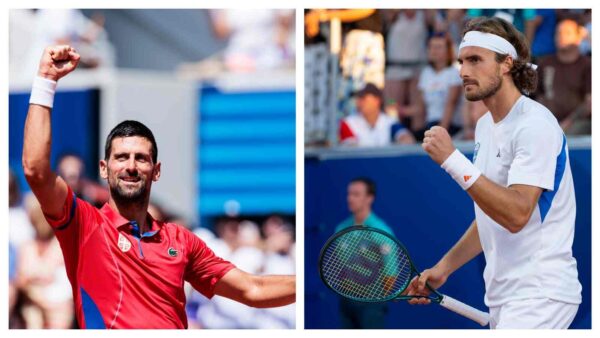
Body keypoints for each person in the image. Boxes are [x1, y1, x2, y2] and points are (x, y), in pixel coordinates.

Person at [22, 45, 296, 329]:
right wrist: (45, 81)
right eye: (121, 157)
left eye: (141, 158)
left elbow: (252, 289)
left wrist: (312, 281)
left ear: (156, 171)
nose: (130, 166)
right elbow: (35, 170)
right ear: (104, 168)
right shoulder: (84, 226)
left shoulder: (181, 241)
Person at [411, 17, 581, 329]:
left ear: (506, 63)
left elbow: (516, 214)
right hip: (506, 297)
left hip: (541, 295)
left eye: (475, 60)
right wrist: (444, 267)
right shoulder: (485, 126)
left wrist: (452, 160)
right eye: (461, 61)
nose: (463, 71)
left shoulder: (535, 125)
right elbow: (492, 213)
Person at [334, 177, 394, 329]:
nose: (350, 198)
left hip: (372, 303)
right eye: (349, 194)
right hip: (346, 300)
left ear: (369, 198)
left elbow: (391, 271)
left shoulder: (381, 231)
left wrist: (379, 298)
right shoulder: (341, 229)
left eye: (356, 194)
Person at [400, 32, 463, 140]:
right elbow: (420, 108)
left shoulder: (454, 73)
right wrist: (401, 110)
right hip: (431, 125)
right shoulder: (426, 73)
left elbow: (450, 105)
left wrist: (440, 134)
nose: (434, 51)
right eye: (431, 47)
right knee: (407, 138)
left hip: (450, 126)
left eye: (438, 47)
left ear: (448, 51)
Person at [535, 19, 591, 135]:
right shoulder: (545, 63)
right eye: (558, 33)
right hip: (546, 122)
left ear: (578, 38)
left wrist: (567, 123)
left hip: (578, 123)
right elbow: (536, 96)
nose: (561, 36)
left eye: (567, 33)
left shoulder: (588, 65)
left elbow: (590, 102)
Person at [339, 83, 414, 147]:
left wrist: (403, 140)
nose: (359, 102)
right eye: (357, 98)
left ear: (377, 100)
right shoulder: (348, 122)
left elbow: (406, 138)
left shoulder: (390, 122)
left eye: (363, 98)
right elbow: (350, 149)